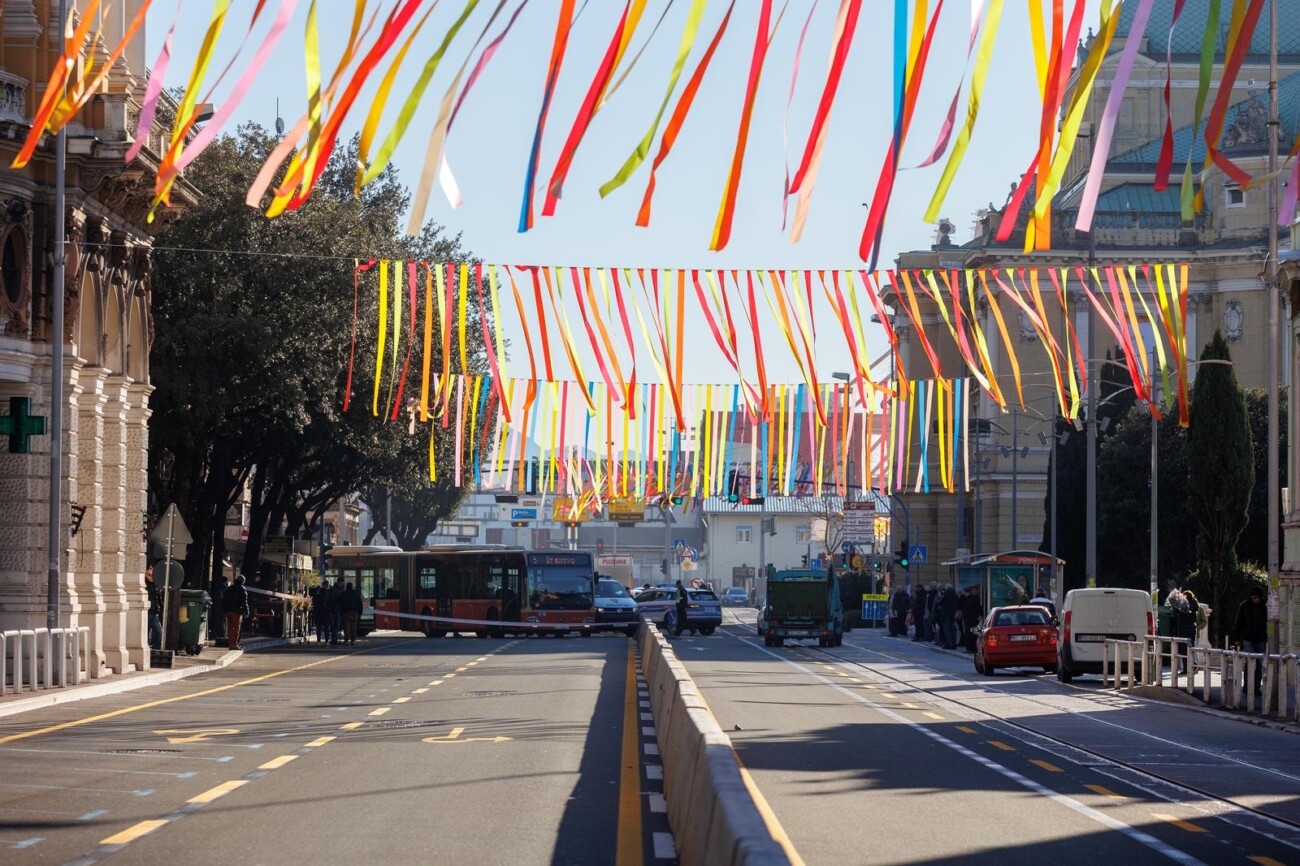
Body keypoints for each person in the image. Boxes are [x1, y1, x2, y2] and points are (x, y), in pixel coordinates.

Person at [1234, 586, 1269, 696]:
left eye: (1258, 598)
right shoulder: (1244, 606)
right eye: (1254, 597)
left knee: (1259, 664)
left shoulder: (1265, 606)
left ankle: (1256, 688)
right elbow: (1238, 622)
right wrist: (1236, 638)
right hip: (1248, 638)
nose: (1256, 600)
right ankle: (1247, 687)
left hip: (1260, 638)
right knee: (1250, 663)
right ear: (1251, 597)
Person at [223, 574, 250, 651]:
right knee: (236, 628)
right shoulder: (242, 589)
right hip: (237, 611)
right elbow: (244, 602)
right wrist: (247, 612)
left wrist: (225, 610)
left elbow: (225, 600)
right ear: (243, 581)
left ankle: (231, 643)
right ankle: (234, 644)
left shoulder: (230, 588)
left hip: (229, 611)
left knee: (230, 628)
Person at [960, 586, 985, 652]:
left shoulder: (970, 600)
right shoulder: (973, 599)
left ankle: (970, 648)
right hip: (973, 620)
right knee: (974, 634)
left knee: (970, 634)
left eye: (965, 592)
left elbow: (972, 610)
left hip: (970, 620)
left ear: (968, 593)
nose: (964, 594)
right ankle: (974, 647)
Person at [145, 565, 164, 650]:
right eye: (149, 575)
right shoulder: (144, 586)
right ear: (145, 575)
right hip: (147, 613)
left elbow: (159, 598)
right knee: (146, 634)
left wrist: (161, 608)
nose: (151, 577)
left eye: (153, 575)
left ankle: (156, 650)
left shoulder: (156, 585)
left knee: (159, 633)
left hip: (154, 613)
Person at [338, 581, 363, 646]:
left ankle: (346, 641)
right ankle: (353, 640)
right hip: (355, 613)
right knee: (353, 627)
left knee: (347, 627)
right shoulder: (356, 595)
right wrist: (359, 613)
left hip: (346, 612)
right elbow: (360, 604)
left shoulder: (343, 594)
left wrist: (341, 611)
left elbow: (339, 603)